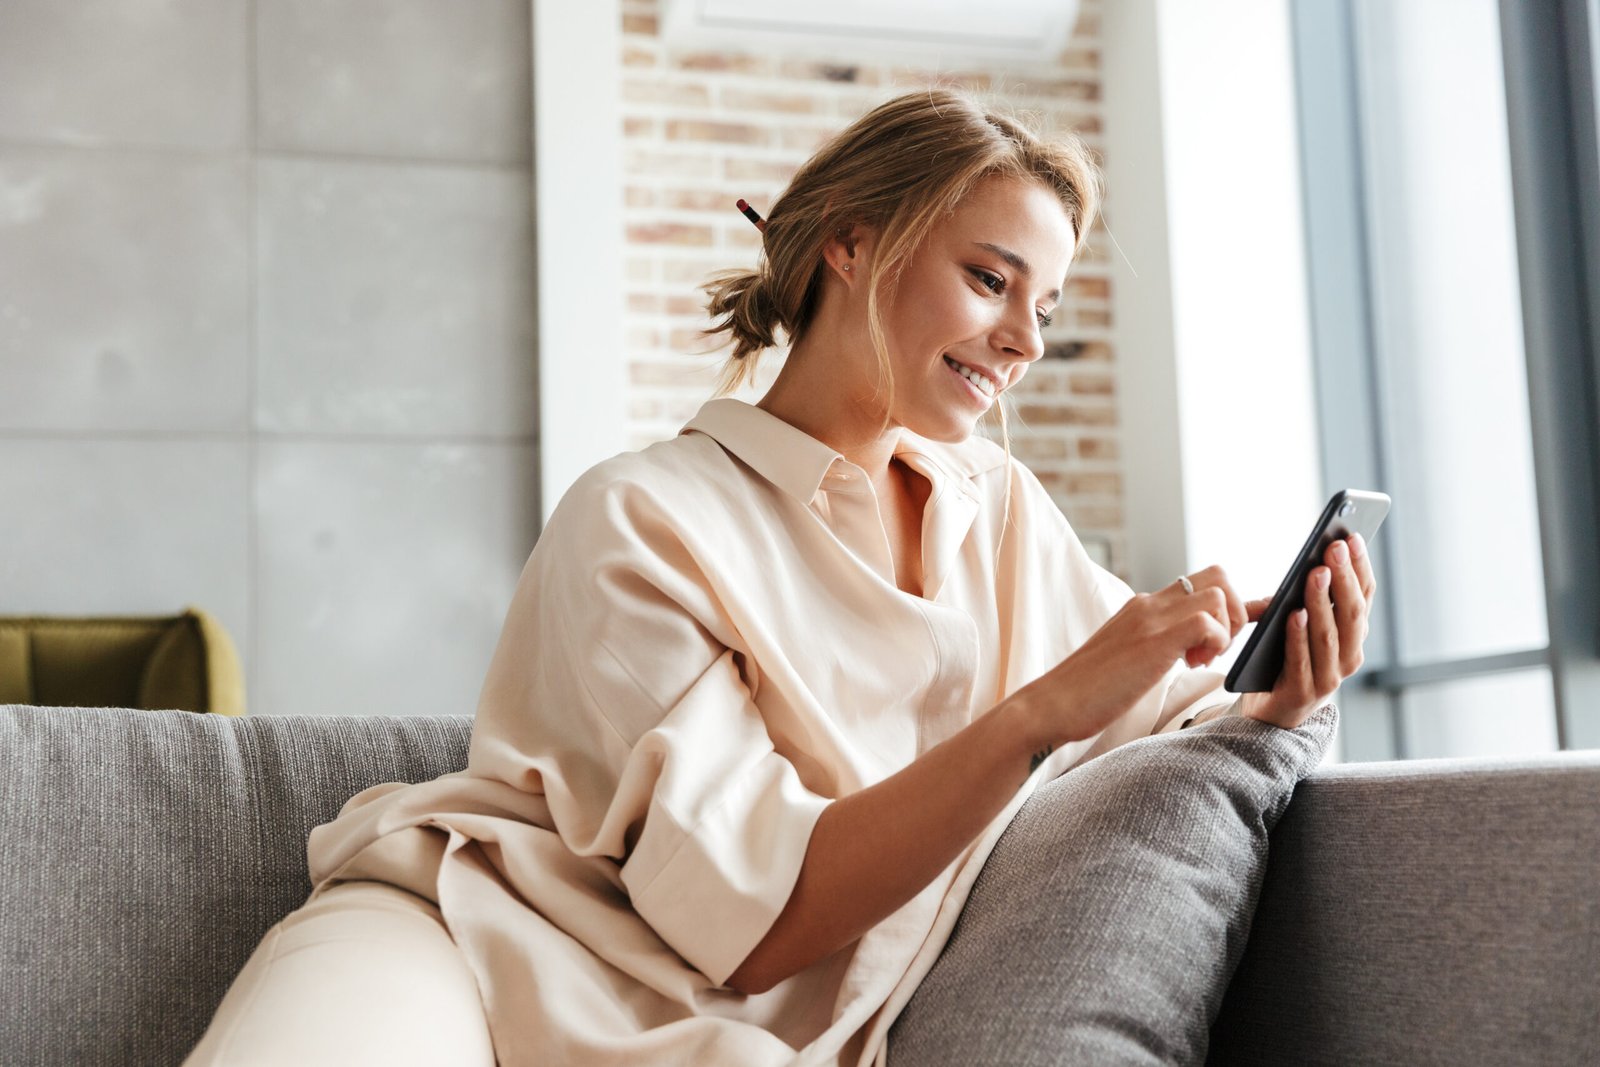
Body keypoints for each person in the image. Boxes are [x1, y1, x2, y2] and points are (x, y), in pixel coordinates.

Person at [184, 89, 1376, 1067]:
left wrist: (1273, 695)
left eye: (1046, 305)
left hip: (745, 1030)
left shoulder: (997, 511)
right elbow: (753, 922)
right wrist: (1040, 709)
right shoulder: (642, 515)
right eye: (989, 278)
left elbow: (1159, 716)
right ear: (851, 241)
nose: (1025, 339)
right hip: (472, 939)